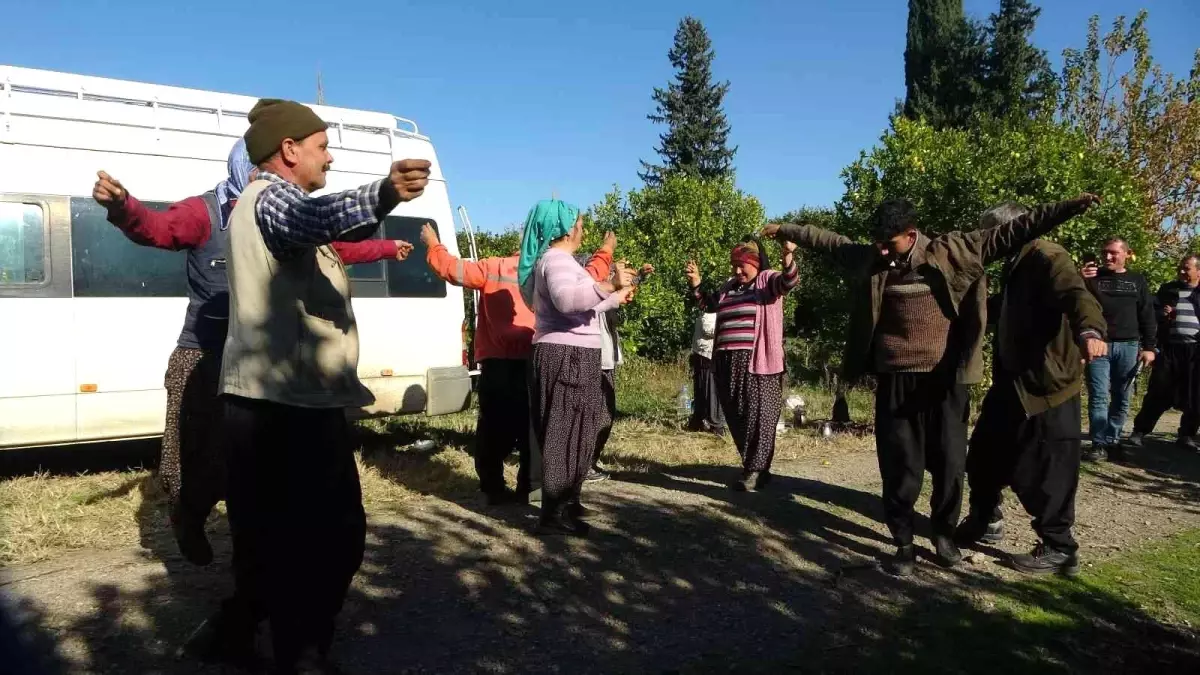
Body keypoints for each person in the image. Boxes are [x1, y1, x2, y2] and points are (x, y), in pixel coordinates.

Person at [91, 138, 411, 567]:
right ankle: (189, 517)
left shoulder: (280, 212)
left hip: (255, 357)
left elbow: (335, 244)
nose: (268, 176)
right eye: (260, 166)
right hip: (205, 354)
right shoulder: (205, 212)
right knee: (195, 460)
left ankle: (260, 575)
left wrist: (389, 248)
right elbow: (156, 228)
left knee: (254, 471)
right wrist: (124, 207)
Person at [763, 193, 1102, 576]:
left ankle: (944, 536)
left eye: (890, 244)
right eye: (878, 244)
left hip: (944, 382)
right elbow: (828, 241)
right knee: (899, 464)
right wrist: (786, 230)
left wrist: (1068, 205)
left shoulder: (956, 250)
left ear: (911, 234)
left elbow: (1021, 227)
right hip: (895, 381)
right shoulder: (874, 257)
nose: (884, 252)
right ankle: (903, 543)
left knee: (950, 463)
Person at [207, 98, 431, 672]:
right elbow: (310, 220)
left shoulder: (257, 204)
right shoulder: (273, 197)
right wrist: (382, 194)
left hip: (273, 401)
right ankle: (301, 654)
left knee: (272, 540)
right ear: (289, 150)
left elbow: (321, 238)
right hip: (285, 407)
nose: (329, 158)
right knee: (327, 540)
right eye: (323, 147)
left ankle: (235, 631)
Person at [956, 202, 1107, 577]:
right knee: (984, 454)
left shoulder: (1047, 256)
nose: (986, 242)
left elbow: (1077, 295)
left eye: (990, 233)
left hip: (1047, 384)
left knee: (1049, 468)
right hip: (1013, 380)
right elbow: (1001, 308)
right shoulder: (1016, 261)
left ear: (1012, 229)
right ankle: (985, 520)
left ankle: (1059, 547)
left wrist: (1090, 331)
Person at [519, 200, 634, 536]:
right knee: (563, 432)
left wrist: (617, 293)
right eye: (580, 223)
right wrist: (609, 286)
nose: (583, 229)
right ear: (567, 229)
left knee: (579, 431)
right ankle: (554, 513)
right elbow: (568, 301)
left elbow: (587, 304)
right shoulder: (555, 260)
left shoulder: (564, 262)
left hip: (575, 353)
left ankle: (566, 502)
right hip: (563, 354)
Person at [685, 236, 798, 491]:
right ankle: (755, 466)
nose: (737, 271)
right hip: (725, 361)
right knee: (736, 416)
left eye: (742, 265)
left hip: (757, 361)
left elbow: (788, 281)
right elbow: (709, 305)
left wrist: (788, 255)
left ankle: (755, 469)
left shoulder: (766, 280)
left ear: (756, 263)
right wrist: (696, 284)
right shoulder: (729, 287)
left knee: (759, 416)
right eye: (734, 265)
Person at [1079, 238, 1157, 461]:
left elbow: (1147, 315)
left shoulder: (1137, 280)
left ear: (1127, 254)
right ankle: (1098, 444)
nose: (1108, 257)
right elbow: (1076, 302)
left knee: (1122, 396)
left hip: (1129, 346)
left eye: (1113, 253)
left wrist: (1149, 347)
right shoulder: (1093, 278)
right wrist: (1080, 279)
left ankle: (1112, 440)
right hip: (1099, 345)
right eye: (1105, 253)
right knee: (1099, 396)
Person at [586, 254, 653, 484]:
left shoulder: (609, 291)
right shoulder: (594, 290)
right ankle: (583, 465)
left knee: (605, 414)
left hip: (607, 360)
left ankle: (588, 462)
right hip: (596, 360)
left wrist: (640, 278)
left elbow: (625, 291)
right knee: (597, 416)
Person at [1126, 255, 1200, 453]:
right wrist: (1164, 315)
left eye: (1187, 269)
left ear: (1198, 271)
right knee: (1158, 390)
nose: (1182, 272)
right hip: (1169, 348)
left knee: (1195, 394)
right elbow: (1152, 313)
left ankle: (1186, 434)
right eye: (1180, 268)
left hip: (1195, 351)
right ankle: (1139, 432)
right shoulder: (1168, 289)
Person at [687, 311, 727, 436]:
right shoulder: (710, 313)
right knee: (709, 391)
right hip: (707, 355)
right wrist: (727, 328)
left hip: (707, 354)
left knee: (705, 390)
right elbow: (708, 329)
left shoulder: (710, 312)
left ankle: (701, 421)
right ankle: (713, 423)